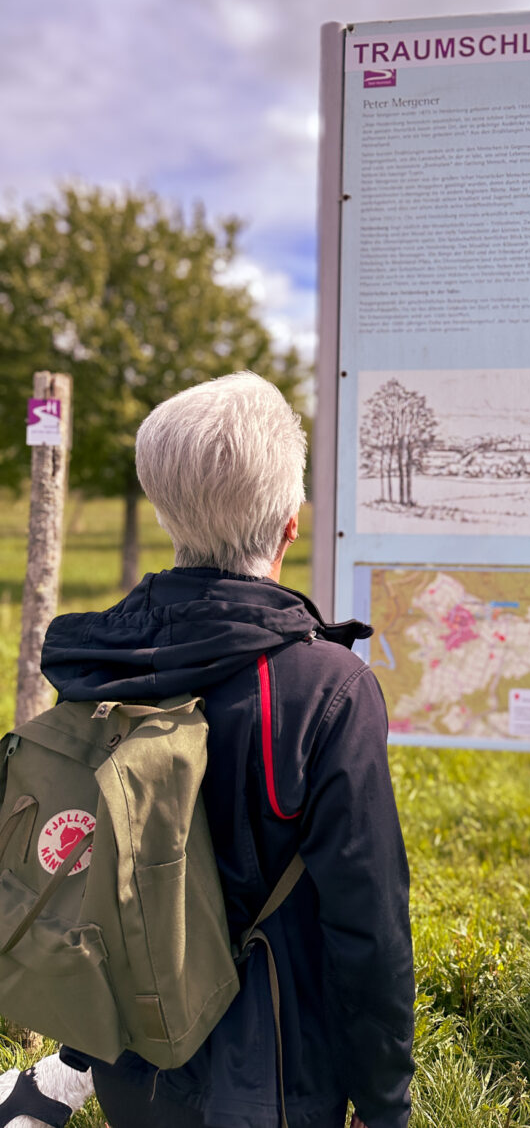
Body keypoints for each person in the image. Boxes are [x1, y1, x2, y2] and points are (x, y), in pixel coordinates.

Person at [39, 372, 414, 1128]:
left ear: (163, 504)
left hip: (132, 1062)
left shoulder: (96, 662)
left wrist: (79, 1057)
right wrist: (385, 1107)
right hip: (275, 1082)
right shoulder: (324, 689)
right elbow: (368, 926)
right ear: (290, 525)